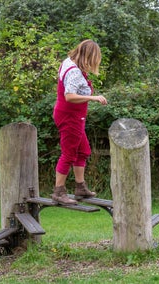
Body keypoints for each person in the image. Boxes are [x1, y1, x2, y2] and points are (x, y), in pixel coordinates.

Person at [52, 39, 108, 205]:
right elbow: (69, 96)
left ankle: (80, 187)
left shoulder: (68, 62)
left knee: (83, 150)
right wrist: (94, 97)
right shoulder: (75, 72)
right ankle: (59, 191)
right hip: (70, 116)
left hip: (72, 116)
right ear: (88, 56)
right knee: (69, 153)